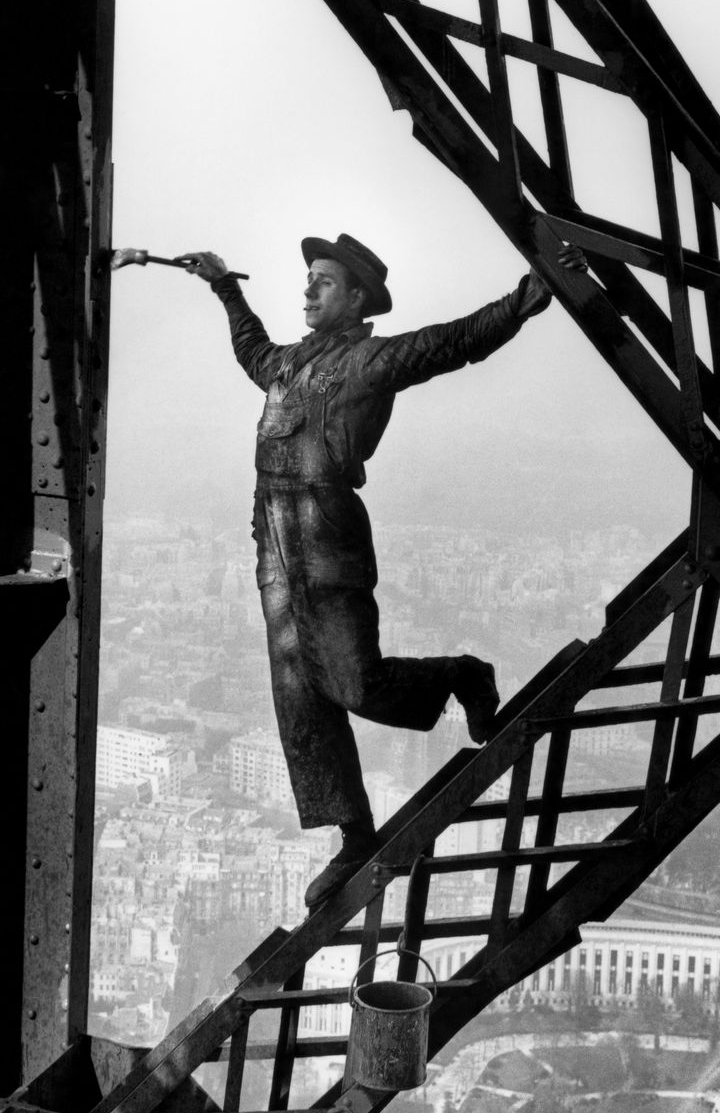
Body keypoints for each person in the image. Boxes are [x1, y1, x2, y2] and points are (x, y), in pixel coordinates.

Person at [181, 234, 587, 907]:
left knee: (355, 684)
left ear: (358, 298)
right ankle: (353, 834)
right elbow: (249, 346)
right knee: (299, 701)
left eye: (325, 282)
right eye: (307, 279)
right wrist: (224, 285)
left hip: (327, 541)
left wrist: (524, 300)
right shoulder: (284, 365)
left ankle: (461, 674)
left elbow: (451, 342)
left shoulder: (371, 361)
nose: (309, 290)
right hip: (275, 546)